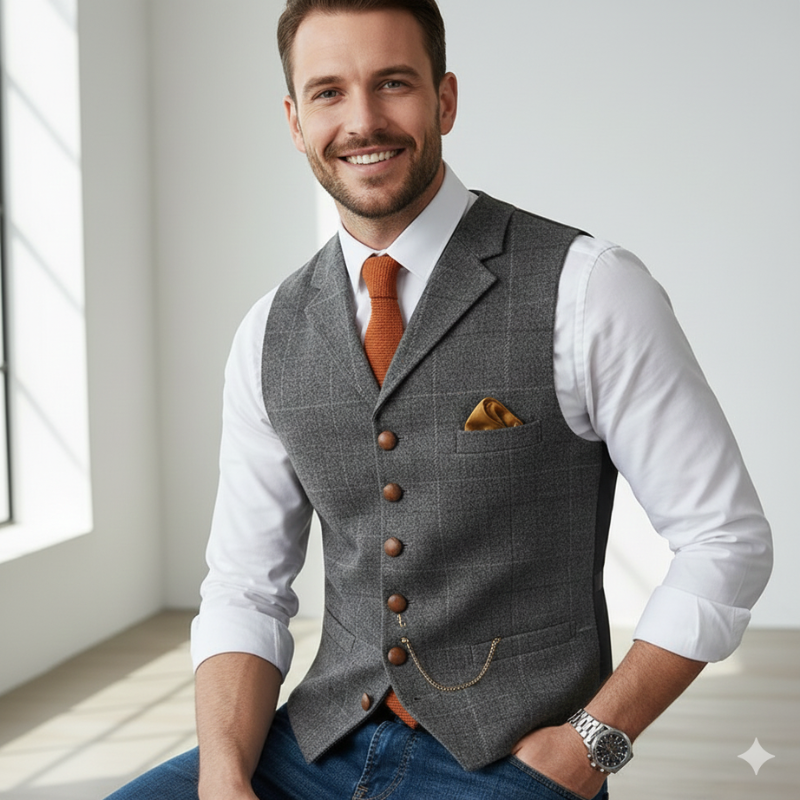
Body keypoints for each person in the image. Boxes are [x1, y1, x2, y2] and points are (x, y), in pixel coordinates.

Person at [107, 1, 772, 798]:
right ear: (293, 119)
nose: (363, 121)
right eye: (328, 93)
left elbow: (725, 540)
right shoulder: (268, 334)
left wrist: (589, 746)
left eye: (393, 84)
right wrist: (223, 777)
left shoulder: (588, 287)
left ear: (445, 98)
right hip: (314, 746)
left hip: (510, 763)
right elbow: (246, 587)